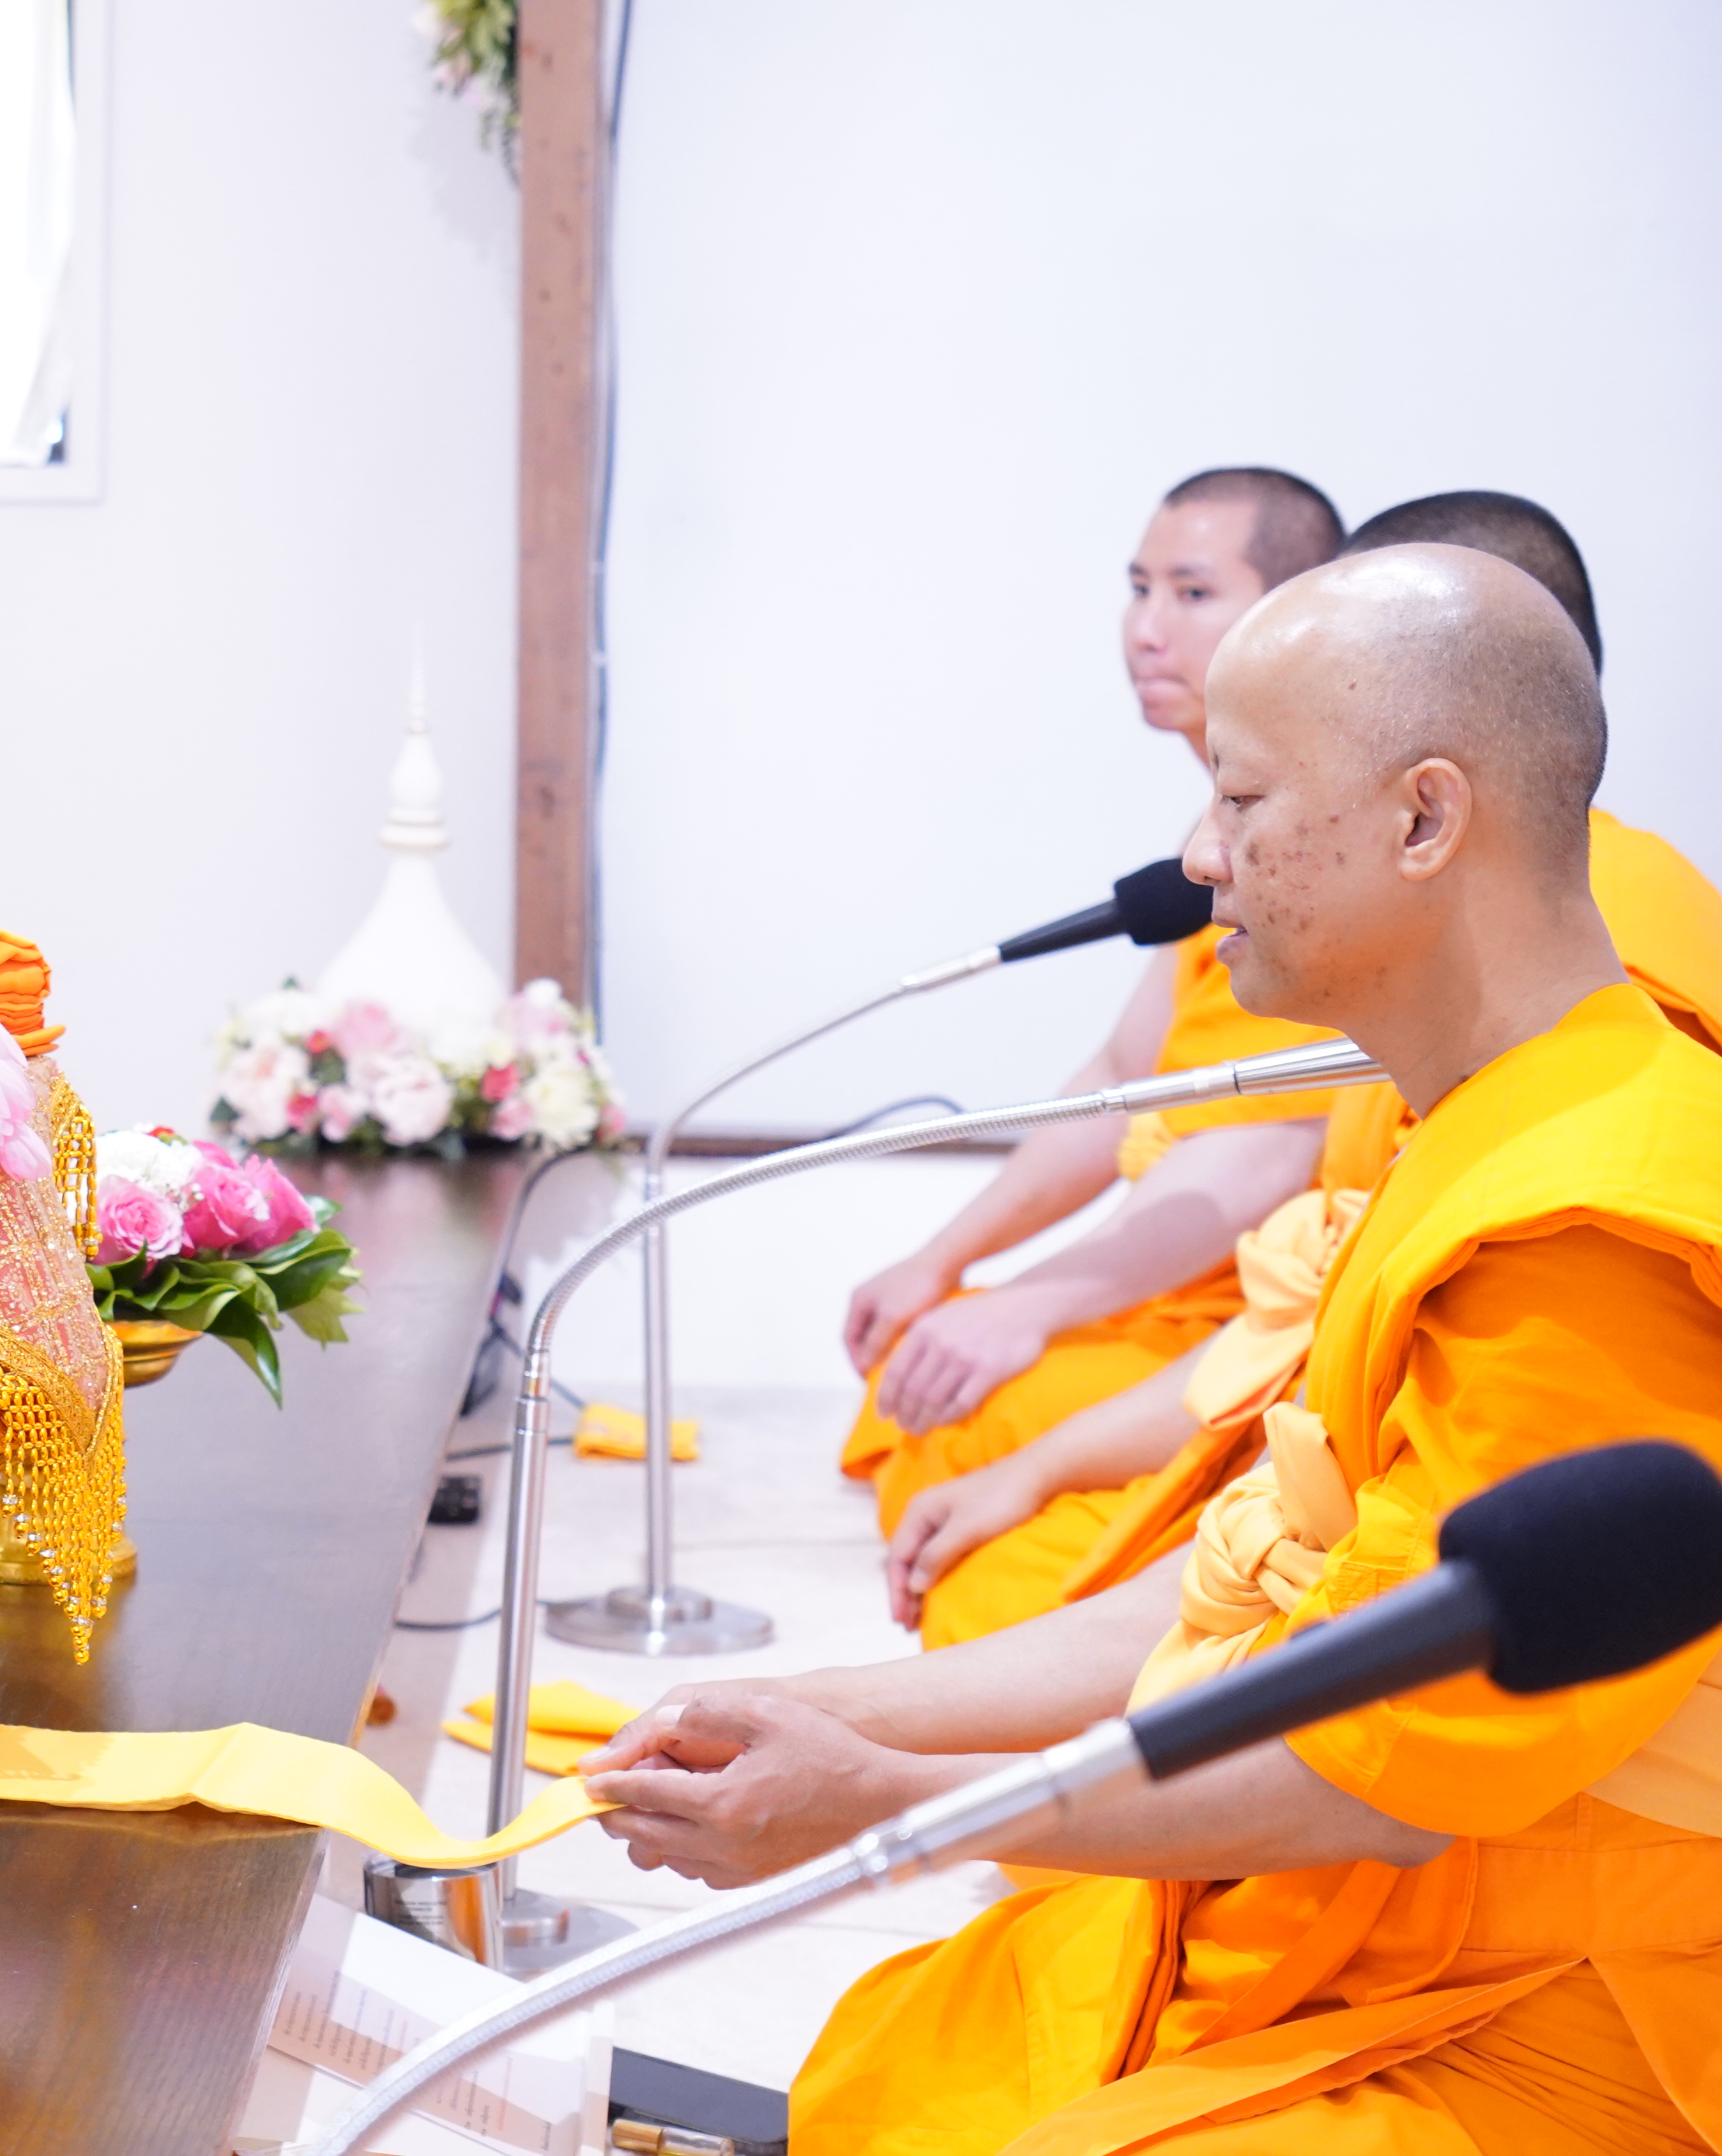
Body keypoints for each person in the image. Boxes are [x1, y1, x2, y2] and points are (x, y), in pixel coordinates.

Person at [584, 543, 1722, 2152]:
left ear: (1426, 818)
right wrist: (841, 1708)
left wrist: (876, 1810)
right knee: (901, 2068)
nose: (1199, 858)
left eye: (1241, 801)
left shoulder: (1589, 1219)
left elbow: (1383, 1764)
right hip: (1375, 1919)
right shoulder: (1464, 1114)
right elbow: (1263, 1570)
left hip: (1557, 2005)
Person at [886, 491, 1722, 1646]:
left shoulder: (1584, 1117)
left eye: (1191, 592)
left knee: (997, 1582)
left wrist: (891, 1789)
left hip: (1438, 1686)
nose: (1197, 854)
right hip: (1307, 1451)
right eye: (1138, 588)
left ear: (1430, 807)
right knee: (976, 1517)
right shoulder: (1374, 950)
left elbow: (1449, 1656)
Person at [838, 469, 1348, 1535]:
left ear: (1293, 616)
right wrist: (950, 1257)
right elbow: (1129, 1074)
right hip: (1181, 1271)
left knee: (974, 1420)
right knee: (927, 1365)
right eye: (1139, 588)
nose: (1146, 630)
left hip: (1260, 1311)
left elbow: (1272, 1140)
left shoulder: (1315, 832)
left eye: (1194, 594)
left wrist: (1039, 1303)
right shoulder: (1215, 821)